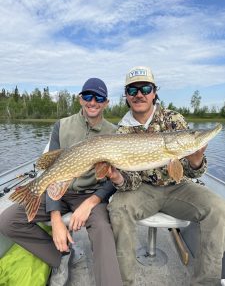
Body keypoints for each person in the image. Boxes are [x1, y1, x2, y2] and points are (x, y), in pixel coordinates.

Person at [106, 66, 225, 286]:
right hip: (143, 190)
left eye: (145, 88)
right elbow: (131, 180)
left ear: (154, 92)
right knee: (118, 208)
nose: (139, 94)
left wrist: (195, 160)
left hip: (178, 188)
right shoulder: (121, 131)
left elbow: (191, 172)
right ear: (126, 96)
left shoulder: (173, 119)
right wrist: (117, 178)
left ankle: (205, 283)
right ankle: (124, 282)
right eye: (132, 90)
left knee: (218, 207)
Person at [0, 78, 123, 286]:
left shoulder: (115, 133)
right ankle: (62, 255)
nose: (93, 102)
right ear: (80, 99)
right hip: (58, 190)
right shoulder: (62, 126)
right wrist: (55, 218)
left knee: (103, 229)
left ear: (106, 103)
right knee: (8, 220)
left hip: (91, 195)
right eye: (88, 96)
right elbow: (52, 172)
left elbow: (113, 180)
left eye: (99, 98)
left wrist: (92, 202)